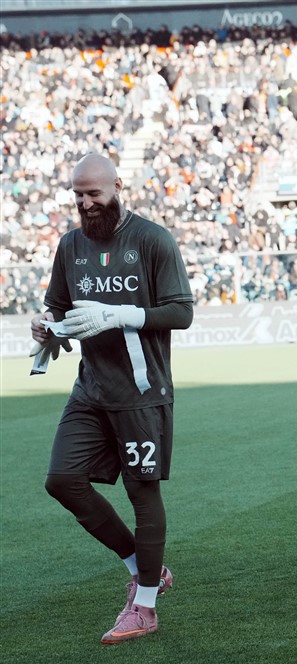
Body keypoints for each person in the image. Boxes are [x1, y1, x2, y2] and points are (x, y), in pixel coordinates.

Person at [30, 153, 193, 644]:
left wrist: (120, 314)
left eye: (94, 194)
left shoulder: (153, 239)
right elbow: (57, 305)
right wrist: (46, 325)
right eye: (78, 195)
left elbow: (181, 313)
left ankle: (145, 607)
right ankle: (146, 568)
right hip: (91, 389)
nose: (85, 203)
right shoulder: (70, 245)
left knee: (143, 494)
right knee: (62, 480)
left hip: (141, 393)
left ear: (117, 186)